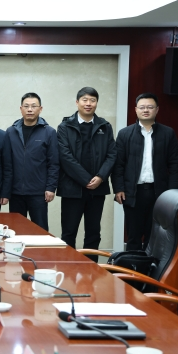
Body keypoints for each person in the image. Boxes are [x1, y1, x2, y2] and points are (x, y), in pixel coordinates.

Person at [112, 93, 178, 251]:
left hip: (159, 193)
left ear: (157, 110)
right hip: (132, 192)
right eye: (142, 107)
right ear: (136, 110)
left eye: (150, 107)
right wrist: (119, 188)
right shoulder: (125, 134)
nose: (146, 110)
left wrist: (172, 193)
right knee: (133, 236)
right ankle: (132, 266)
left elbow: (175, 165)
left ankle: (152, 266)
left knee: (155, 237)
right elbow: (118, 165)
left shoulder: (168, 133)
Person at [57, 87, 116, 258]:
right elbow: (65, 157)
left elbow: (112, 154)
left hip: (97, 189)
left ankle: (91, 269)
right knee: (69, 233)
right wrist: (87, 180)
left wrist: (100, 177)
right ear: (77, 102)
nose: (88, 103)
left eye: (92, 100)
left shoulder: (105, 126)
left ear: (96, 103)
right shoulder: (65, 126)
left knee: (93, 233)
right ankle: (68, 268)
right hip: (72, 189)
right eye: (84, 100)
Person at [6, 93, 59, 230]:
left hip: (38, 192)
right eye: (26, 106)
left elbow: (54, 163)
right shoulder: (11, 132)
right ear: (21, 109)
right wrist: (5, 190)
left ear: (40, 109)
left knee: (40, 230)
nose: (30, 109)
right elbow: (6, 163)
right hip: (15, 192)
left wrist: (50, 187)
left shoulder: (49, 132)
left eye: (34, 106)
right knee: (15, 230)